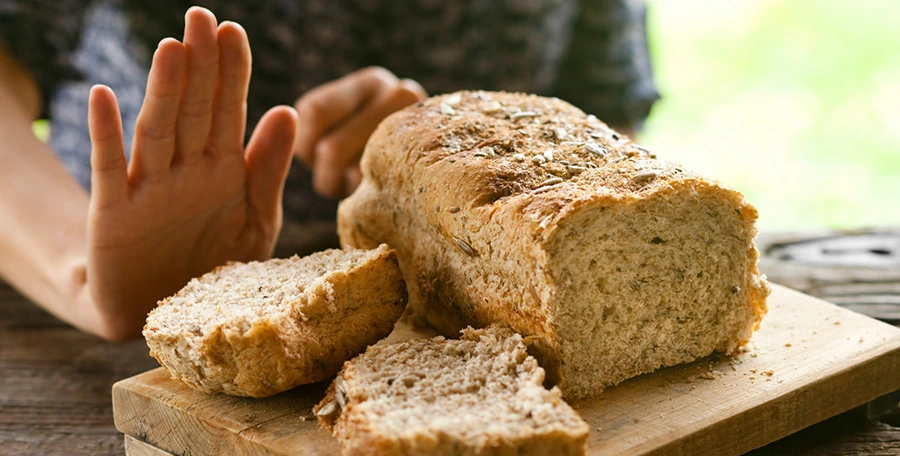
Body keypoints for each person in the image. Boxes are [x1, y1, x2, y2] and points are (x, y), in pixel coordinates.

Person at [0, 1, 659, 341]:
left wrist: (440, 156)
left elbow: (602, 128)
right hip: (80, 306)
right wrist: (79, 270)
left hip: (462, 317)